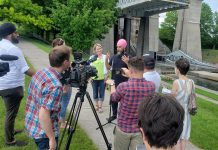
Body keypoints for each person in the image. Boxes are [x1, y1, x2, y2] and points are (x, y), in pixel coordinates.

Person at [25, 45, 71, 150]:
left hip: (33, 123)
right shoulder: (55, 86)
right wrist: (51, 139)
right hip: (44, 133)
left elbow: (41, 95)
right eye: (69, 60)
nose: (70, 62)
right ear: (65, 62)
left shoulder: (42, 72)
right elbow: (43, 114)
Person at [106, 56, 155, 150]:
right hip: (140, 129)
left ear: (131, 70)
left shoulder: (123, 86)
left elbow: (114, 98)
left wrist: (112, 84)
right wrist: (130, 75)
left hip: (123, 128)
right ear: (143, 69)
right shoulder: (151, 86)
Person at [0, 22, 35, 146]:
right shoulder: (14, 49)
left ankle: (11, 131)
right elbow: (25, 69)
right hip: (13, 87)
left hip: (3, 85)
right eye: (15, 32)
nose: (17, 34)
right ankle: (10, 140)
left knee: (10, 111)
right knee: (11, 113)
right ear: (10, 34)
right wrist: (41, 76)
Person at [171, 58, 194, 150]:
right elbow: (191, 97)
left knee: (176, 137)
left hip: (177, 111)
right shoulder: (191, 82)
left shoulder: (176, 82)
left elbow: (172, 97)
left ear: (178, 69)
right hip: (186, 112)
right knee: (184, 137)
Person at [105, 38, 129, 122]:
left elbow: (133, 70)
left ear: (124, 47)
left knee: (124, 101)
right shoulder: (114, 57)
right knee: (113, 100)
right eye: (117, 47)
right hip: (114, 81)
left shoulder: (128, 57)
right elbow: (108, 67)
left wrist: (127, 62)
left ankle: (123, 116)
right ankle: (114, 115)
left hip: (125, 82)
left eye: (120, 47)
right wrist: (106, 59)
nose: (118, 48)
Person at [52, 38, 72, 128]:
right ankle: (62, 123)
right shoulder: (63, 59)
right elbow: (66, 73)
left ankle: (61, 120)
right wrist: (65, 85)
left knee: (60, 103)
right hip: (65, 84)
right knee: (64, 103)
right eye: (64, 44)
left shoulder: (54, 56)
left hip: (60, 82)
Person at [90, 43, 108, 113]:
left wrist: (107, 75)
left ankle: (100, 107)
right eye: (97, 49)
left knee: (102, 92)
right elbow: (90, 68)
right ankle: (96, 105)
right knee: (95, 92)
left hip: (103, 78)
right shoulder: (92, 57)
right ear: (95, 50)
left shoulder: (105, 57)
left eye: (100, 48)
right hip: (94, 78)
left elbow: (108, 67)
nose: (99, 50)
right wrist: (90, 77)